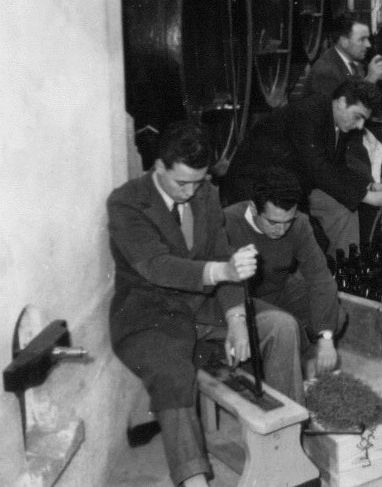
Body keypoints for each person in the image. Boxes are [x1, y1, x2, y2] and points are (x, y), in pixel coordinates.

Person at [108, 121, 302, 487]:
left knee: (281, 326)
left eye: (198, 182)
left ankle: (286, 444)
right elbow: (156, 265)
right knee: (174, 375)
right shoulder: (126, 202)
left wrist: (237, 318)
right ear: (159, 166)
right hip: (149, 314)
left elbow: (221, 251)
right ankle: (193, 479)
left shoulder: (205, 194)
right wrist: (221, 271)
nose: (190, 192)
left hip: (203, 306)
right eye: (182, 183)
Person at [224, 166, 344, 379]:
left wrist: (326, 338)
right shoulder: (226, 223)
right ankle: (298, 360)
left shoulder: (299, 223)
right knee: (287, 329)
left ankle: (304, 357)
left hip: (279, 291)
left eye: (288, 222)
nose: (281, 230)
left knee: (335, 316)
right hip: (242, 300)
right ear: (253, 208)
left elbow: (320, 278)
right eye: (273, 222)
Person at [286, 77, 382, 256]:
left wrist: (370, 186)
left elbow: (337, 168)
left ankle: (344, 266)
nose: (360, 126)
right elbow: (318, 168)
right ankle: (341, 266)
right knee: (343, 208)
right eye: (358, 116)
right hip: (269, 187)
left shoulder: (339, 121)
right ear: (342, 102)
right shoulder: (309, 112)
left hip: (302, 184)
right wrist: (366, 196)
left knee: (345, 208)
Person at [296, 15, 382, 99]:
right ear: (344, 41)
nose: (368, 44)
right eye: (362, 39)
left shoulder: (353, 64)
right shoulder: (325, 72)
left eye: (367, 39)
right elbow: (342, 109)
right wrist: (370, 80)